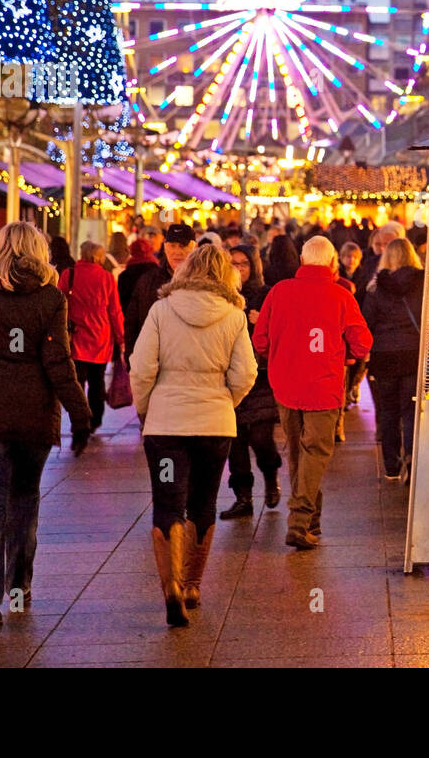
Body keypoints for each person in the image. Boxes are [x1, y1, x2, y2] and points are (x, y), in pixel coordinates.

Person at [0, 222, 93, 629]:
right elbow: (58, 361)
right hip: (32, 415)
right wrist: (80, 413)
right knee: (24, 500)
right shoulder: (48, 297)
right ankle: (18, 589)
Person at [130, 244, 256, 626]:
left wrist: (146, 408)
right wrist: (224, 402)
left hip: (167, 429)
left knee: (168, 501)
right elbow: (246, 372)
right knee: (203, 501)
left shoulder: (161, 311)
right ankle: (193, 586)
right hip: (214, 427)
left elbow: (141, 368)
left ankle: (171, 587)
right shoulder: (234, 315)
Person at [253, 236, 372, 549]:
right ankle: (301, 520)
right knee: (316, 453)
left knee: (297, 454)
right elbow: (363, 344)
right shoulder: (341, 296)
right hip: (324, 385)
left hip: (287, 387)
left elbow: (260, 341)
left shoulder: (279, 292)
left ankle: (311, 523)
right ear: (333, 262)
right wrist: (345, 352)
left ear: (303, 261)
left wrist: (281, 355)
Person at [219, 244, 283, 519]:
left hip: (261, 378)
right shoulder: (223, 296)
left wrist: (263, 323)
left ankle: (271, 477)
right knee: (235, 443)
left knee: (261, 438)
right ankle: (243, 496)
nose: (238, 269)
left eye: (243, 264)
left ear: (253, 266)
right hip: (229, 377)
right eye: (232, 264)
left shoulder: (266, 294)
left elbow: (281, 333)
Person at [362, 238, 424, 481]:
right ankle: (410, 456)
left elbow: (367, 322)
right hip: (412, 353)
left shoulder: (376, 287)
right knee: (410, 410)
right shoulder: (423, 284)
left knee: (388, 412)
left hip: (384, 356)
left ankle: (391, 465)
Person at [59, 241, 125, 436]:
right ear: (99, 257)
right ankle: (95, 419)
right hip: (100, 337)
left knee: (77, 381)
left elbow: (58, 303)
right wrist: (121, 337)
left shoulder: (69, 275)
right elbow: (114, 311)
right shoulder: (106, 278)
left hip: (75, 336)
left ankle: (79, 419)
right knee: (97, 382)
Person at [124, 224, 196, 359]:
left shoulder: (203, 282)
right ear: (165, 246)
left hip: (190, 362)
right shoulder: (148, 281)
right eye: (172, 246)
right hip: (153, 360)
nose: (177, 252)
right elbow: (132, 322)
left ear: (194, 248)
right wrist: (132, 358)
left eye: (182, 246)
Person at [117, 237, 159, 312]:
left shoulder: (124, 276)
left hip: (131, 319)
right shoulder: (158, 272)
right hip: (155, 316)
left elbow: (122, 302)